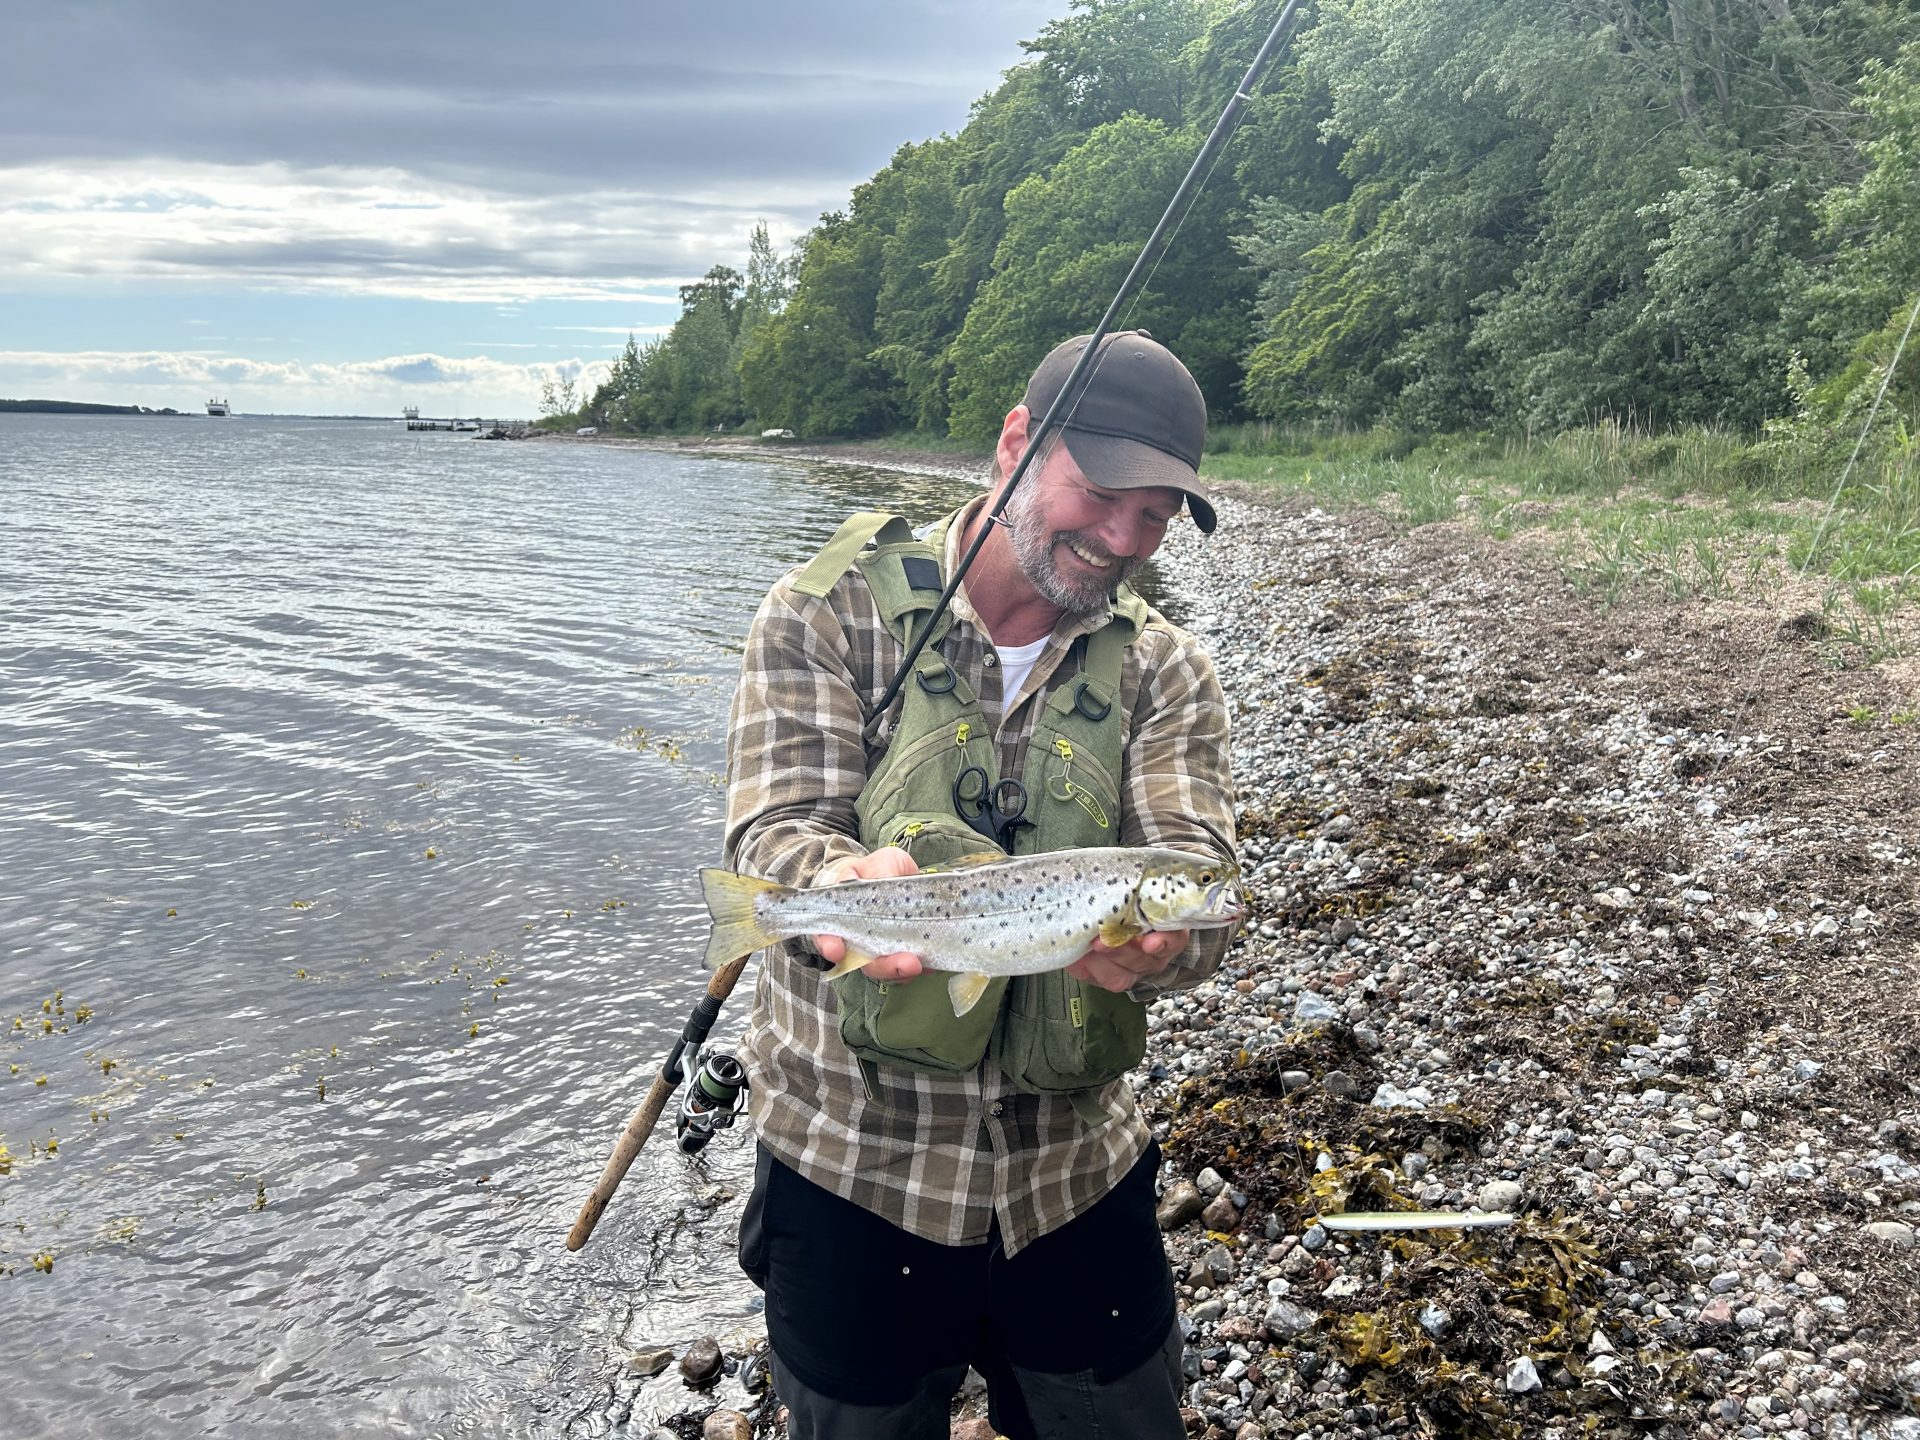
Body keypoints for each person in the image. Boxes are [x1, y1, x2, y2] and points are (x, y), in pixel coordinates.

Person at [723, 331, 1238, 1440]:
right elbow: (773, 829)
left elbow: (1200, 883)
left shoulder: (1170, 668)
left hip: (1073, 1175)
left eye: (1155, 515)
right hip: (851, 1163)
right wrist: (838, 885)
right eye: (1103, 493)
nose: (1122, 538)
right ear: (1015, 443)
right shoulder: (826, 612)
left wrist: (1163, 950)